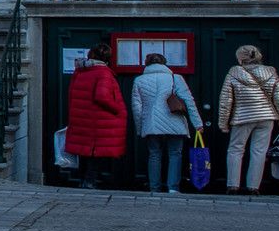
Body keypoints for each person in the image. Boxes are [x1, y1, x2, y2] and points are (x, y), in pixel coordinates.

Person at [218, 44, 279, 195]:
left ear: (240, 58)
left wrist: (223, 123)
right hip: (266, 116)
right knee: (259, 152)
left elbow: (226, 100)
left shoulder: (234, 72)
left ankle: (233, 185)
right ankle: (253, 187)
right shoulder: (271, 72)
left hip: (242, 116)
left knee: (236, 150)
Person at [129, 51, 203, 194]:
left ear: (147, 64)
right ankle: (173, 188)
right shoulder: (175, 78)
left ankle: (154, 188)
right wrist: (197, 123)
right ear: (164, 63)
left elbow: (137, 107)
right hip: (174, 120)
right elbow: (189, 101)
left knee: (154, 154)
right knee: (175, 153)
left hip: (151, 122)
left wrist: (140, 128)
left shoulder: (139, 80)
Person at [65, 47, 127, 189]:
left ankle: (83, 180)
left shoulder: (81, 71)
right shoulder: (103, 73)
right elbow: (102, 96)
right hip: (98, 120)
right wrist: (118, 108)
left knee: (84, 152)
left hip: (82, 118)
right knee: (95, 152)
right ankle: (89, 182)